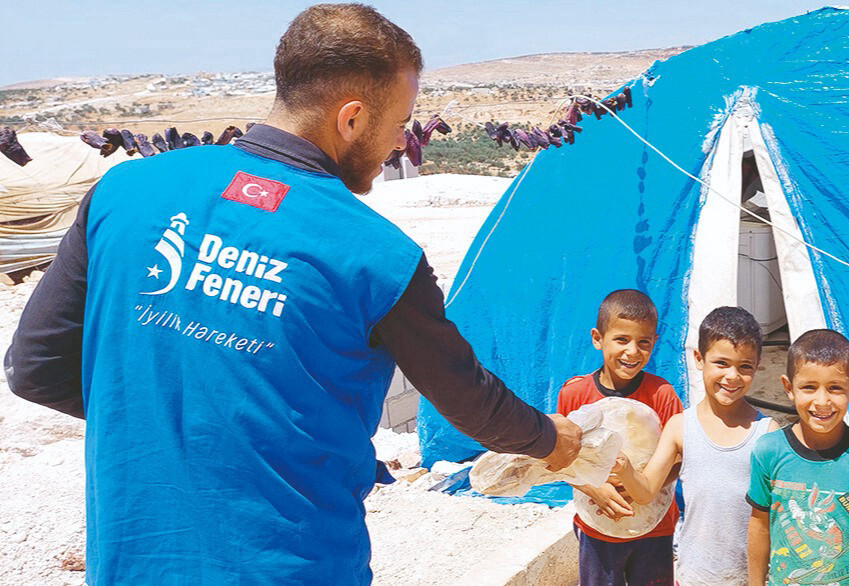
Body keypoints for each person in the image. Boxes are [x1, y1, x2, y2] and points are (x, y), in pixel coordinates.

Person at [4, 5, 581, 584]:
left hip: (134, 557)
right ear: (351, 118)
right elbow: (466, 398)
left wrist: (169, 420)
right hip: (291, 563)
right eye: (399, 122)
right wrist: (551, 440)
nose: (399, 142)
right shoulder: (378, 255)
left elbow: (35, 369)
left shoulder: (125, 189)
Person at [613, 306, 778, 585]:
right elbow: (646, 491)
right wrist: (625, 468)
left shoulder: (767, 433)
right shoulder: (681, 427)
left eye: (745, 366)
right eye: (721, 363)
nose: (732, 376)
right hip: (694, 575)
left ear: (757, 365)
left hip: (750, 578)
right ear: (699, 359)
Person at [557, 289, 683, 586]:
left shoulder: (662, 395)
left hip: (655, 527)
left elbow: (679, 461)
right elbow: (560, 460)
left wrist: (643, 488)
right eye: (622, 339)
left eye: (643, 342)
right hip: (597, 524)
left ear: (654, 342)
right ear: (597, 338)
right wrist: (595, 489)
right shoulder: (575, 395)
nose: (632, 352)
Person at [747, 329, 849, 586]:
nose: (822, 401)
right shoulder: (768, 452)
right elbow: (759, 526)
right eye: (809, 387)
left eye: (835, 388)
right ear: (789, 388)